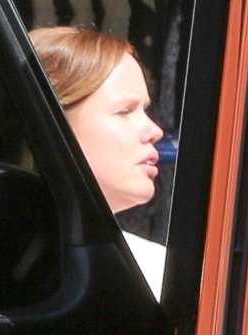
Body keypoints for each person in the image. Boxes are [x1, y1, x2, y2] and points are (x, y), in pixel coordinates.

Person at [30, 26, 167, 297]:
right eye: (125, 111)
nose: (155, 131)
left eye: (145, 110)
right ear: (53, 125)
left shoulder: (157, 272)